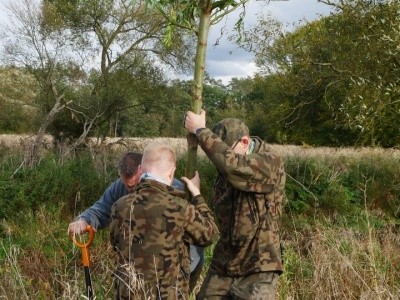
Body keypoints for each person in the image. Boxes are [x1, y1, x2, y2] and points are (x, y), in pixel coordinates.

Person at [184, 110, 286, 300]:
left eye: (227, 149)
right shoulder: (226, 171)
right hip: (225, 263)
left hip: (258, 265)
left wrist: (199, 129)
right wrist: (197, 194)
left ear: (245, 142)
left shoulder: (269, 162)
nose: (220, 159)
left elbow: (234, 165)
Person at [67, 152, 205, 291]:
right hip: (138, 268)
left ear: (143, 170)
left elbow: (202, 232)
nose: (130, 190)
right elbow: (100, 209)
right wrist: (83, 220)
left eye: (133, 186)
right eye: (126, 186)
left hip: (176, 266)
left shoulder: (171, 189)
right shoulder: (119, 187)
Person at [109, 143, 219, 299]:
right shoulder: (179, 207)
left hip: (128, 293)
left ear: (140, 170)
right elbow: (210, 234)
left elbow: (115, 244)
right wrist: (197, 195)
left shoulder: (119, 206)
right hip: (167, 294)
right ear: (171, 172)